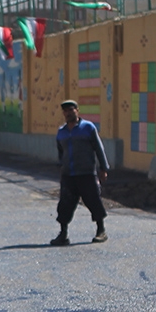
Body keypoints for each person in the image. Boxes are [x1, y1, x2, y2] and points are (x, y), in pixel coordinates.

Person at [52, 100, 109, 245]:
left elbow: (99, 148)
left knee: (93, 200)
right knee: (65, 204)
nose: (68, 113)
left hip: (86, 173)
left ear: (77, 110)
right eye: (65, 111)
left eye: (71, 110)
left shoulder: (88, 128)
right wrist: (61, 169)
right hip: (68, 175)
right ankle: (63, 234)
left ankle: (101, 230)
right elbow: (61, 153)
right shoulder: (61, 132)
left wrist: (103, 168)